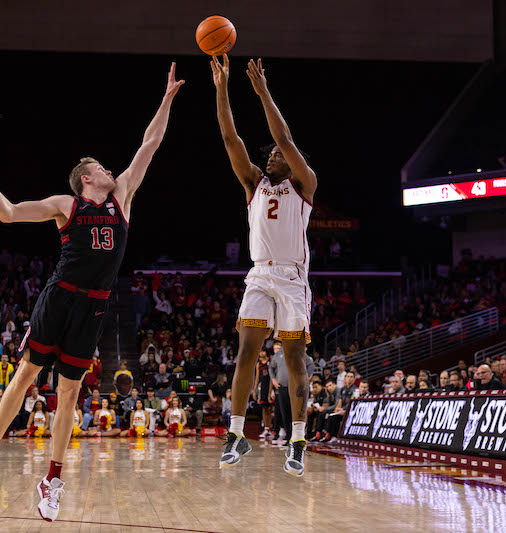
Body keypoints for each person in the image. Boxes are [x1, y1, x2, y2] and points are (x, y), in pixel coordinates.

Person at [0, 63, 184, 521]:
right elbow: (7, 213)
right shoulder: (65, 205)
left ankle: (53, 480)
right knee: (26, 375)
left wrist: (165, 100)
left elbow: (150, 145)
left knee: (69, 395)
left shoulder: (123, 195)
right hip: (59, 296)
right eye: (99, 167)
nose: (109, 168)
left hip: (95, 307)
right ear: (86, 178)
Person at [211, 54, 317, 477]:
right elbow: (229, 136)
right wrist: (221, 89)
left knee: (294, 359)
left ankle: (297, 440)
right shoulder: (254, 184)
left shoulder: (304, 185)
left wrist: (262, 92)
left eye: (278, 154)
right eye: (270, 153)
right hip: (259, 274)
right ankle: (237, 434)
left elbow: (287, 138)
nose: (272, 155)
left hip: (292, 277)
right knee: (245, 354)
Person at [253, 351, 273, 439]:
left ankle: (273, 428)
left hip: (271, 385)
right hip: (263, 386)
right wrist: (254, 391)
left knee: (271, 409)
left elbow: (273, 376)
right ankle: (266, 428)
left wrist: (271, 391)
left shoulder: (271, 361)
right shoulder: (258, 364)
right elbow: (257, 378)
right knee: (265, 409)